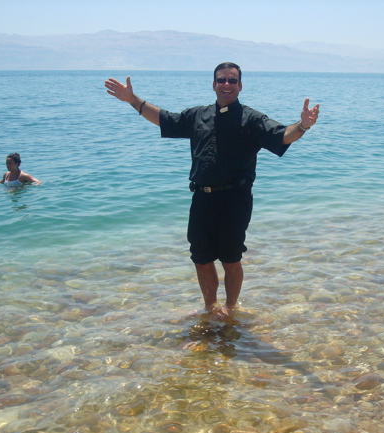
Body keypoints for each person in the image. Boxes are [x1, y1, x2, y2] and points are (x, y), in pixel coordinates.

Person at [105, 62, 319, 317]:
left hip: (234, 201)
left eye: (231, 80)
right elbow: (165, 119)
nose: (226, 84)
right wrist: (133, 100)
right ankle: (210, 308)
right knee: (201, 258)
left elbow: (282, 135)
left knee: (231, 259)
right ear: (214, 84)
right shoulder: (198, 115)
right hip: (201, 198)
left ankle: (230, 307)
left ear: (240, 86)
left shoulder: (252, 119)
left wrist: (303, 125)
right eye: (221, 80)